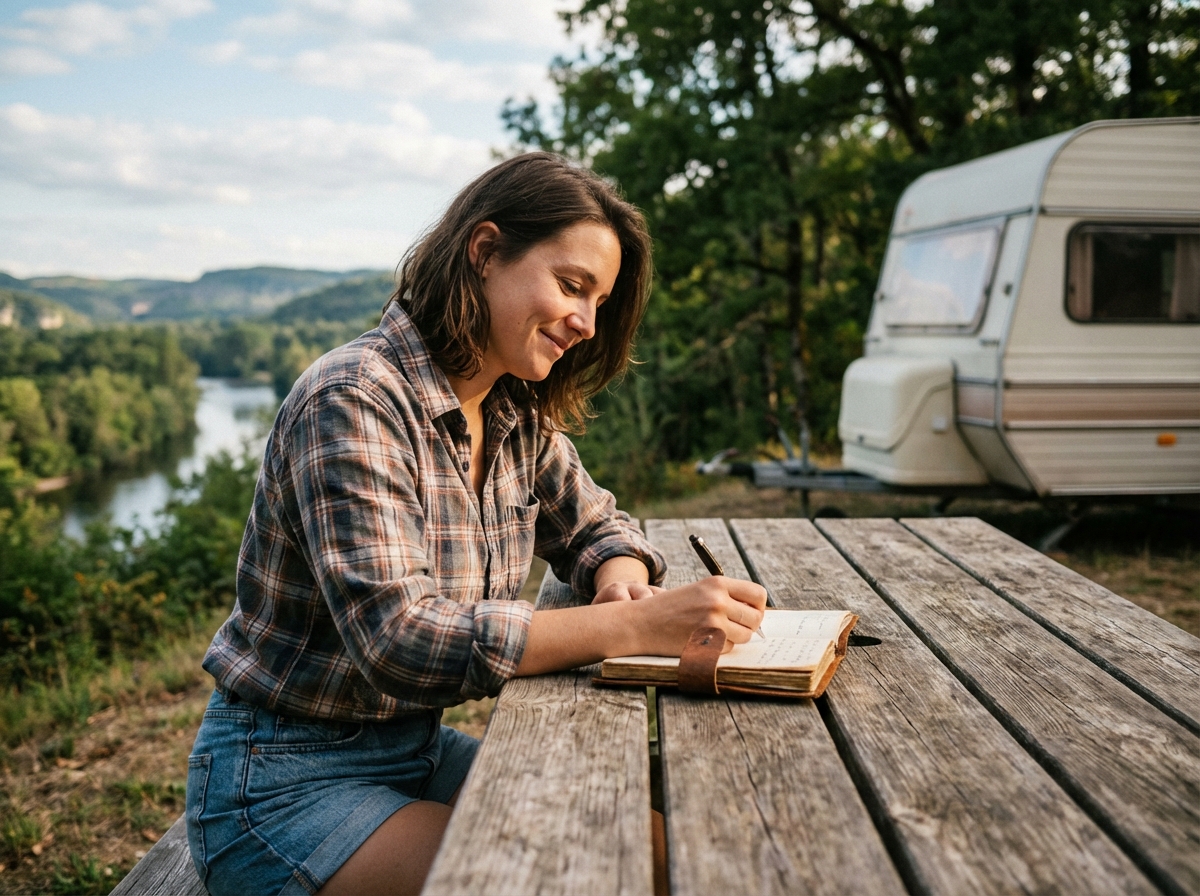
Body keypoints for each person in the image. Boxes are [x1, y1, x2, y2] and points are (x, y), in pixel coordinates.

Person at [185, 152, 767, 896]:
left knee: (668, 846)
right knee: (585, 871)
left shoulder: (512, 409)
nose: (587, 323)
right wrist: (630, 630)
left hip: (414, 752)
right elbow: (401, 639)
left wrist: (623, 585)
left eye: (599, 301)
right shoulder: (354, 399)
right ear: (485, 251)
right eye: (572, 285)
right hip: (281, 786)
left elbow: (598, 526)